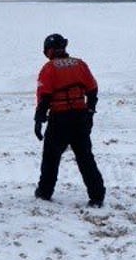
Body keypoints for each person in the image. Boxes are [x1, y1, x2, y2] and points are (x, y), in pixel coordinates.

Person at [34, 34, 105, 207]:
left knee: (51, 157)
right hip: (80, 117)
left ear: (49, 50)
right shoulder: (80, 64)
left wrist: (39, 120)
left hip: (59, 119)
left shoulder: (49, 69)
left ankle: (44, 191)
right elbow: (93, 90)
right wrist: (89, 111)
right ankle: (97, 195)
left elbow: (44, 98)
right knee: (85, 157)